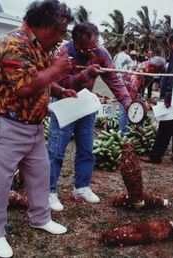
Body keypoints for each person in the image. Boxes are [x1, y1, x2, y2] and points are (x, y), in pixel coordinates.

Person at [0, 1, 75, 257]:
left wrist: (61, 89)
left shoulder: (41, 46)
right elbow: (25, 86)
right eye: (60, 30)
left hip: (31, 126)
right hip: (3, 123)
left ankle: (40, 218)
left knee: (40, 174)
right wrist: (57, 68)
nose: (62, 37)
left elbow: (43, 80)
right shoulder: (12, 44)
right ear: (44, 26)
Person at [48, 22, 132, 212]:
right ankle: (49, 192)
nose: (91, 51)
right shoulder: (63, 53)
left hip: (86, 104)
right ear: (75, 42)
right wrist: (86, 73)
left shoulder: (101, 53)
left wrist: (126, 101)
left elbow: (114, 79)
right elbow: (59, 83)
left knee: (86, 149)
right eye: (86, 48)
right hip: (64, 103)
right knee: (56, 151)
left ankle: (81, 187)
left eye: (94, 46)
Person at [140, 33, 173, 164]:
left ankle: (155, 156)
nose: (168, 46)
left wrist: (169, 96)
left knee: (164, 127)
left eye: (169, 43)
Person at [118, 56, 166, 135]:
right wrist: (133, 104)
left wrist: (141, 100)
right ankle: (123, 133)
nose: (156, 73)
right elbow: (134, 89)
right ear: (151, 67)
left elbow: (140, 87)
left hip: (136, 89)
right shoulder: (141, 71)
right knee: (125, 110)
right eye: (157, 71)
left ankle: (140, 131)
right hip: (124, 89)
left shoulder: (151, 70)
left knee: (141, 109)